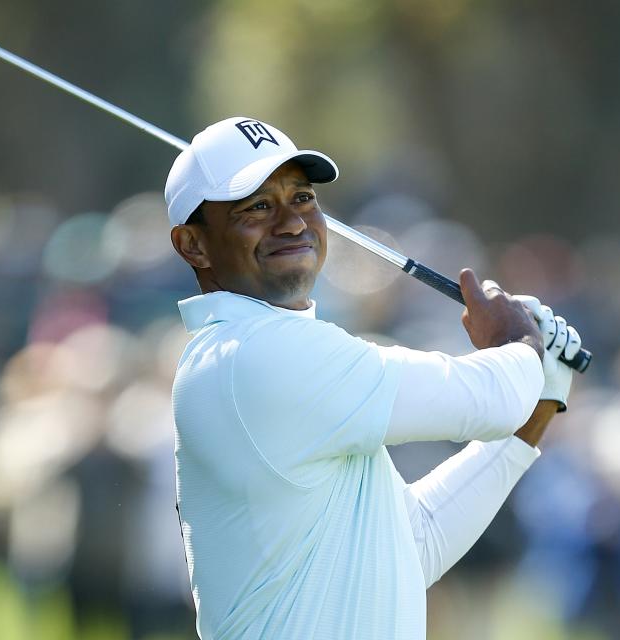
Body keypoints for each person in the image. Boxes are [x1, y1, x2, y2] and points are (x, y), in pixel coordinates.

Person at [164, 117, 583, 640]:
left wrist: (540, 401)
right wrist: (521, 344)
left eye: (301, 198)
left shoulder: (265, 351)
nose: (292, 223)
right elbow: (491, 398)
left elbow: (414, 543)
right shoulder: (253, 353)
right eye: (256, 207)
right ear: (193, 245)